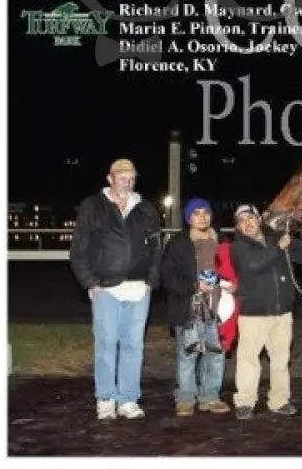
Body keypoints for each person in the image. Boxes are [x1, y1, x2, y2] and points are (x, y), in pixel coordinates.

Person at [69, 158, 161, 420]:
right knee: (107, 344)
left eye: (131, 178)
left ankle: (128, 399)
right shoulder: (92, 206)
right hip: (106, 288)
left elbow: (157, 247)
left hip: (138, 288)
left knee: (134, 345)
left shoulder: (145, 208)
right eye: (122, 178)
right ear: (110, 179)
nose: (128, 183)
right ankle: (106, 398)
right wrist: (90, 282)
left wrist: (151, 281)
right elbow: (79, 249)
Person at [230, 204, 302, 420]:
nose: (247, 223)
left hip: (282, 311)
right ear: (238, 226)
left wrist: (296, 238)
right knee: (248, 359)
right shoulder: (238, 246)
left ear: (259, 219)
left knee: (281, 360)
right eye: (242, 221)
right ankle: (245, 402)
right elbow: (253, 266)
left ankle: (279, 400)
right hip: (253, 313)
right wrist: (279, 248)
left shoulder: (277, 237)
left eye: (251, 218)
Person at [160, 197, 231, 417]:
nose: (202, 217)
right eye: (197, 213)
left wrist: (231, 284)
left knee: (216, 354)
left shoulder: (223, 242)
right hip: (189, 307)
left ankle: (210, 396)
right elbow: (168, 276)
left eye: (206, 213)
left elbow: (233, 269)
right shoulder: (178, 244)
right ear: (188, 218)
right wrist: (194, 285)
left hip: (218, 309)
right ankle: (185, 397)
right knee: (187, 354)